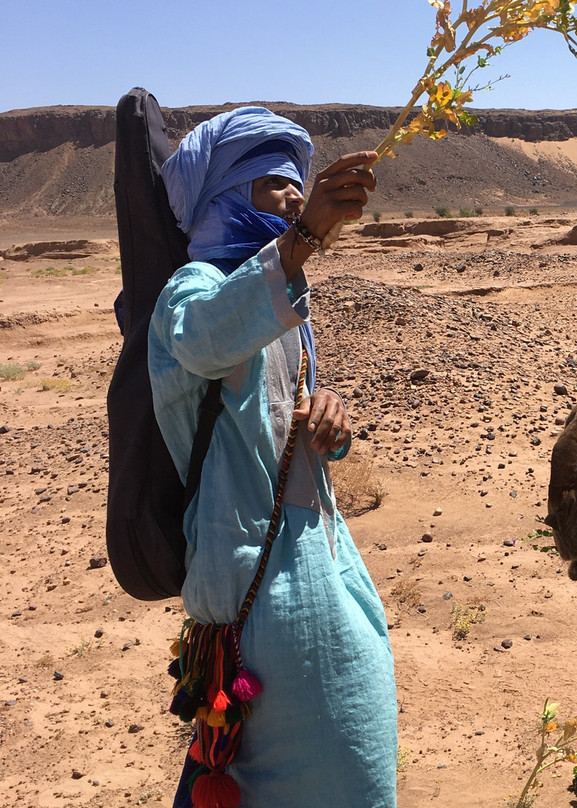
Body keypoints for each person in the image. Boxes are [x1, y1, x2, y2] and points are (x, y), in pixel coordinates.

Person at [149, 107, 397, 808]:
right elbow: (206, 340)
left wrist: (332, 422)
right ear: (225, 196)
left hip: (323, 569)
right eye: (272, 185)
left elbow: (292, 431)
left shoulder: (284, 298)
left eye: (297, 186)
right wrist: (307, 234)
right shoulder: (190, 294)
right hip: (250, 596)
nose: (292, 197)